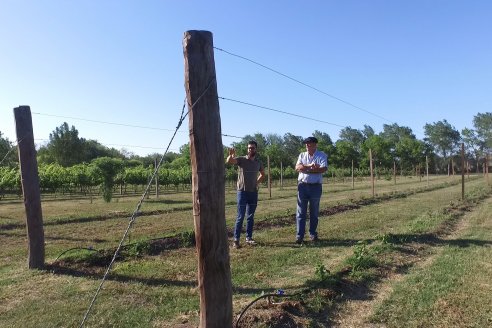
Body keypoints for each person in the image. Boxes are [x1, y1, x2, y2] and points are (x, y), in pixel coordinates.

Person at [226, 140, 265, 248]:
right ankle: (236, 240)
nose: (250, 149)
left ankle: (249, 238)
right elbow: (230, 161)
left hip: (253, 193)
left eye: (252, 148)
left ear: (256, 149)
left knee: (250, 217)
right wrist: (230, 155)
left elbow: (263, 174)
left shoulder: (258, 162)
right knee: (240, 216)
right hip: (242, 192)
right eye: (249, 148)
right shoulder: (242, 159)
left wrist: (256, 182)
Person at [295, 136, 328, 244]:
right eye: (306, 144)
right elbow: (297, 168)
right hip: (302, 186)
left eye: (309, 144)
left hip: (315, 187)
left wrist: (306, 169)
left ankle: (312, 233)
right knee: (301, 212)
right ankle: (299, 236)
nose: (307, 146)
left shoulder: (321, 155)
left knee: (314, 212)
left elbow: (323, 169)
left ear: (315, 145)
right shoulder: (302, 155)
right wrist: (310, 166)